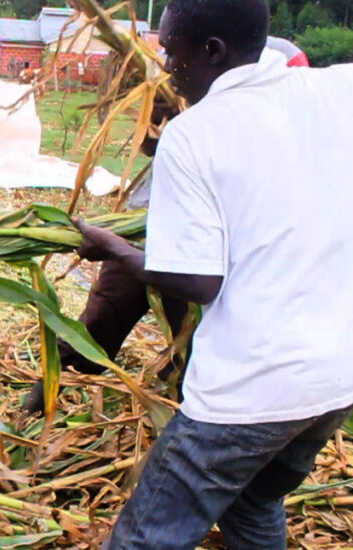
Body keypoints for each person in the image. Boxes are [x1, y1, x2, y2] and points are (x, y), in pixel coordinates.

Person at [71, 0, 353, 547]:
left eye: (172, 56)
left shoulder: (195, 134)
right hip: (337, 378)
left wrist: (117, 251)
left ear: (213, 52)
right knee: (254, 500)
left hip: (250, 392)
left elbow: (199, 282)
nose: (167, 70)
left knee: (145, 536)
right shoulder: (338, 92)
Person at [21, 33, 312, 416]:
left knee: (191, 341)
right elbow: (149, 144)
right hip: (149, 218)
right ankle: (31, 412)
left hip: (212, 236)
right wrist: (163, 115)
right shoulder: (177, 55)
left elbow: (290, 144)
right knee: (99, 320)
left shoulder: (284, 60)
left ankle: (186, 429)